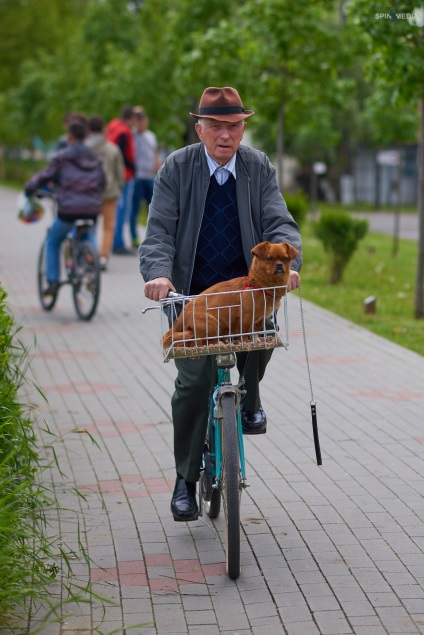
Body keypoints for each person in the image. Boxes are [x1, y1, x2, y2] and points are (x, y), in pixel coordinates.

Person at [139, 86, 302, 522]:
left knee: (264, 336)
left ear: (243, 128)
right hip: (192, 295)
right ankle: (185, 480)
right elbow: (158, 231)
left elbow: (278, 220)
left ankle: (248, 401)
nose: (225, 135)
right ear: (200, 129)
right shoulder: (178, 167)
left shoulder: (257, 166)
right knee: (193, 384)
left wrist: (292, 259)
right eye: (215, 126)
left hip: (248, 291)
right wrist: (158, 274)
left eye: (233, 126)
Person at [25, 121, 105, 295]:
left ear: (69, 137)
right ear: (86, 137)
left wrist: (30, 188)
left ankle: (53, 282)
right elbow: (102, 182)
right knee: (88, 234)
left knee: (53, 241)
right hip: (91, 208)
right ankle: (92, 268)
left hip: (68, 209)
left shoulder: (61, 157)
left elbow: (45, 176)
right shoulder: (96, 157)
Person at [86, 115, 125, 271]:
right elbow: (120, 173)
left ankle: (89, 256)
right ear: (103, 129)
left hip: (89, 194)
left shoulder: (85, 149)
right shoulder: (112, 149)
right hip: (109, 193)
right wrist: (118, 187)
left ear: (88, 130)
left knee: (90, 226)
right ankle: (103, 258)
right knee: (108, 227)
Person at [106, 106, 136, 255]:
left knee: (117, 210)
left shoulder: (113, 126)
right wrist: (133, 166)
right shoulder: (124, 132)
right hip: (125, 175)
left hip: (112, 175)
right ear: (130, 118)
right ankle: (118, 244)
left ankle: (115, 242)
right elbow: (123, 155)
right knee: (122, 211)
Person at [130, 106, 161, 249]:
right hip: (137, 176)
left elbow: (155, 154)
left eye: (143, 120)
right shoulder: (132, 135)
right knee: (134, 209)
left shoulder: (151, 136)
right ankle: (134, 237)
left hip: (149, 176)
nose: (141, 123)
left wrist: (158, 169)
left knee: (154, 208)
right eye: (138, 120)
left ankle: (153, 236)